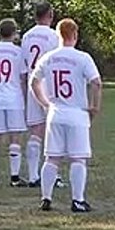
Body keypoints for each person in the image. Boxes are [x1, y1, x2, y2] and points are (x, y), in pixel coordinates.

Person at [30, 18, 102, 213]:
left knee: (51, 158)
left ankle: (46, 198)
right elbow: (96, 83)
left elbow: (34, 82)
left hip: (56, 112)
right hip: (77, 113)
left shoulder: (48, 57)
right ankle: (78, 200)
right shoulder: (83, 58)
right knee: (78, 159)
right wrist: (94, 106)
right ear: (75, 35)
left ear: (58, 35)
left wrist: (45, 103)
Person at [20, 0, 61, 188]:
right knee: (53, 131)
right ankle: (54, 174)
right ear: (50, 15)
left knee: (35, 130)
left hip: (31, 84)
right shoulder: (54, 35)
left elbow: (23, 64)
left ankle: (33, 175)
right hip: (49, 86)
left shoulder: (27, 36)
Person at [0, 18, 30, 187]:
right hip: (14, 97)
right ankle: (14, 177)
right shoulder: (18, 52)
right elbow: (23, 77)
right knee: (15, 137)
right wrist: (24, 98)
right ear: (14, 33)